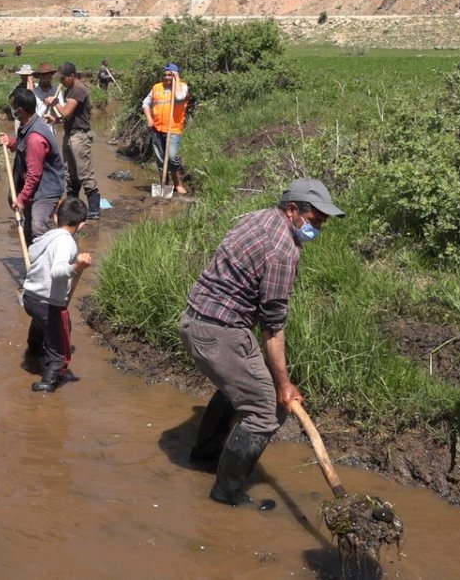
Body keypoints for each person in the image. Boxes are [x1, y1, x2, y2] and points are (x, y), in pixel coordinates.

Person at [181, 178, 344, 509]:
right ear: (293, 210)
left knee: (241, 387)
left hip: (198, 320)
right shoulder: (283, 250)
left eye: (323, 224)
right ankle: (226, 492)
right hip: (219, 331)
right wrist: (283, 384)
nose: (317, 230)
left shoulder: (258, 216)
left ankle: (206, 456)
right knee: (266, 410)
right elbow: (273, 325)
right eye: (314, 222)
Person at [21, 196, 92, 393]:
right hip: (47, 302)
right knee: (61, 341)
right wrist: (78, 265)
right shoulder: (66, 243)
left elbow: (33, 253)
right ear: (82, 225)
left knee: (40, 322)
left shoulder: (48, 237)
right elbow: (57, 271)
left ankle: (33, 352)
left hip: (30, 297)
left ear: (55, 218)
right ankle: (50, 380)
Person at [0, 87, 66, 243]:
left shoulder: (35, 137)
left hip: (45, 190)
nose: (12, 111)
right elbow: (24, 147)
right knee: (29, 231)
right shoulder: (29, 125)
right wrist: (11, 142)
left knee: (38, 228)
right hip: (36, 189)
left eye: (13, 108)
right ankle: (34, 264)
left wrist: (21, 198)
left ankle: (52, 260)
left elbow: (34, 174)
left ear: (20, 110)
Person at [46, 62, 103, 219]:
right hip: (70, 133)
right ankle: (73, 208)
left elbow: (66, 112)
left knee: (84, 172)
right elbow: (67, 117)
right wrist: (55, 120)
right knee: (70, 174)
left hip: (79, 136)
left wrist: (55, 102)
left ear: (72, 76)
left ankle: (94, 209)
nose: (61, 82)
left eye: (63, 79)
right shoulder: (69, 90)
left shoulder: (79, 89)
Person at [142, 63, 192, 195]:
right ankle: (164, 183)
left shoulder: (182, 87)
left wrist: (177, 79)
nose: (167, 77)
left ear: (175, 75)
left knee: (171, 157)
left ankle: (178, 183)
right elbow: (145, 104)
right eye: (165, 75)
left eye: (170, 75)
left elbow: (179, 98)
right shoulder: (156, 88)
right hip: (158, 128)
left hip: (173, 129)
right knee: (160, 159)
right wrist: (149, 119)